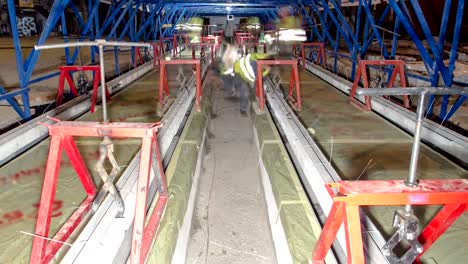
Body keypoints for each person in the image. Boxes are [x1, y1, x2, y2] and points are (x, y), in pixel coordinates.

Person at [221, 44, 270, 116]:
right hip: (238, 75)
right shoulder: (256, 62)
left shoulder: (258, 67)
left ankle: (240, 98)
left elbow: (258, 77)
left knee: (247, 90)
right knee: (244, 91)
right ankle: (242, 109)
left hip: (240, 72)